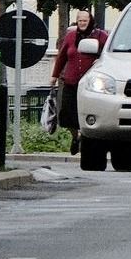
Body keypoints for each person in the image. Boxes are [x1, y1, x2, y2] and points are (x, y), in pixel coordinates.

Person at [51, 9, 106, 153]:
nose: (82, 23)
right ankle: (75, 137)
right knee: (68, 114)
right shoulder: (70, 36)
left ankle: (86, 136)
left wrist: (99, 60)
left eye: (85, 21)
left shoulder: (100, 36)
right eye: (80, 21)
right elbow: (62, 57)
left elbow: (108, 54)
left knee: (88, 111)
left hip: (90, 84)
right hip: (71, 81)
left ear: (90, 21)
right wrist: (54, 75)